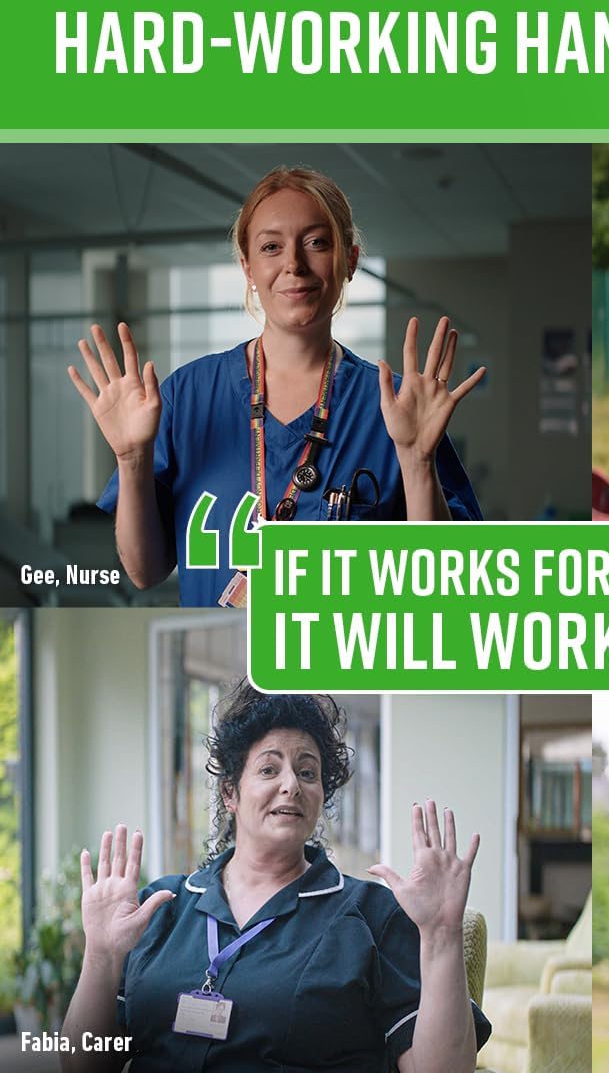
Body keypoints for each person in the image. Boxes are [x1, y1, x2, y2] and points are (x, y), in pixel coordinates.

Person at [68, 166, 485, 607]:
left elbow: (443, 586)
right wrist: (132, 460)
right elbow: (144, 571)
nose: (293, 264)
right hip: (226, 667)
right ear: (247, 267)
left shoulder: (395, 408)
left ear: (349, 261)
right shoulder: (187, 396)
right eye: (271, 247)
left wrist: (418, 463)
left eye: (317, 242)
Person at [61, 682, 490, 1071]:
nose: (292, 785)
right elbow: (83, 1067)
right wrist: (101, 955)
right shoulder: (162, 906)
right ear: (230, 792)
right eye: (269, 769)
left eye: (308, 772)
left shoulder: (373, 915)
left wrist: (441, 935)